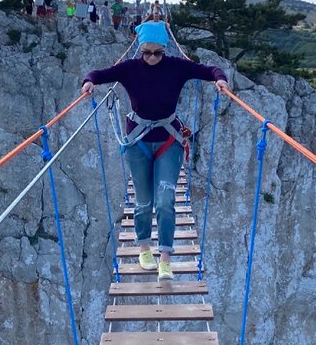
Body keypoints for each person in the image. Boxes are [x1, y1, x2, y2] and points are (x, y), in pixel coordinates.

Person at [83, 22, 226, 279]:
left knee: (164, 200)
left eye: (157, 53)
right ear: (139, 49)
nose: (151, 58)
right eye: (146, 52)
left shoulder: (177, 67)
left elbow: (209, 70)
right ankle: (144, 248)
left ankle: (165, 259)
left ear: (165, 49)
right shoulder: (128, 69)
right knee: (143, 201)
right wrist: (89, 82)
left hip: (168, 140)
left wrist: (220, 79)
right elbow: (98, 74)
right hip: (137, 142)